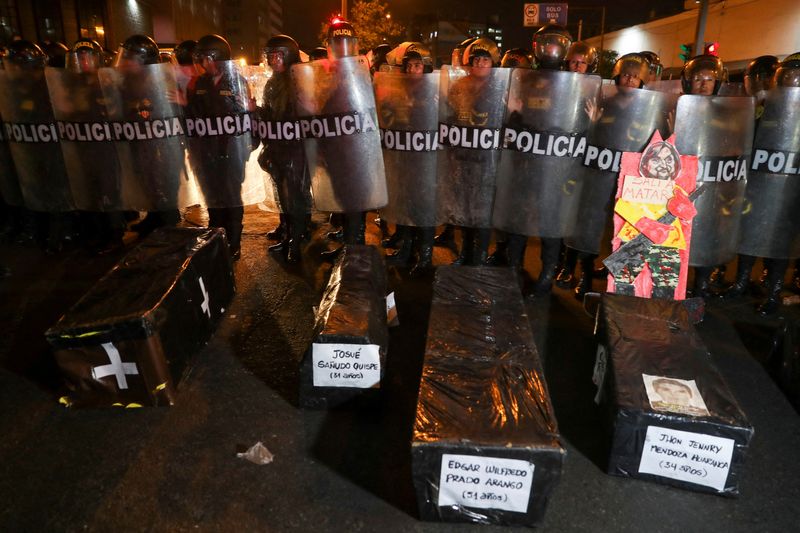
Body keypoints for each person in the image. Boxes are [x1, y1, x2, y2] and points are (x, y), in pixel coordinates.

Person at [504, 24, 572, 295]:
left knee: (550, 221)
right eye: (547, 43)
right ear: (538, 47)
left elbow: (573, 124)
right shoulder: (526, 80)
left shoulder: (572, 83)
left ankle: (547, 273)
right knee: (520, 216)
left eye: (556, 44)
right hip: (526, 162)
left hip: (555, 165)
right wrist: (514, 114)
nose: (551, 49)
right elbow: (515, 121)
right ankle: (514, 266)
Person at [184, 34, 252, 260]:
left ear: (219, 58)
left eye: (207, 59)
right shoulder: (199, 84)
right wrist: (185, 105)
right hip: (207, 151)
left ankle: (234, 242)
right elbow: (195, 118)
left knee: (230, 196)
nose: (204, 65)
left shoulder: (237, 82)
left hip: (230, 151)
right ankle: (216, 237)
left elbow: (245, 120)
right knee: (213, 196)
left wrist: (248, 110)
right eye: (201, 60)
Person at [115, 34, 183, 237]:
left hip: (161, 144)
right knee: (146, 182)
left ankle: (168, 226)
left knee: (163, 183)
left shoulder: (162, 79)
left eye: (129, 58)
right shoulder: (128, 82)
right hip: (139, 141)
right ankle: (153, 218)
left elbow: (170, 112)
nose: (124, 62)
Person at [442, 37, 502, 266]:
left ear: (492, 63)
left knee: (483, 210)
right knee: (464, 208)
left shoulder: (500, 88)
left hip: (487, 161)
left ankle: (480, 256)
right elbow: (449, 116)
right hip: (463, 158)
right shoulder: (459, 86)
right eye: (476, 59)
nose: (480, 64)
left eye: (485, 60)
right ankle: (465, 253)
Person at [378, 46, 436, 276]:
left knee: (424, 208)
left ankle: (426, 256)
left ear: (426, 67)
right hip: (404, 158)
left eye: (418, 65)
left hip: (426, 161)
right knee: (406, 205)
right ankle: (407, 249)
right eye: (409, 65)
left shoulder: (434, 91)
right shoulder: (398, 91)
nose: (413, 69)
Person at [258, 34, 309, 263]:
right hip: (278, 148)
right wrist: (255, 110)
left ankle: (296, 243)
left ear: (287, 56)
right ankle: (288, 235)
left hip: (296, 150)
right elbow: (269, 115)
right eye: (269, 55)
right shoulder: (272, 82)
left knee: (295, 197)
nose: (271, 60)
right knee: (283, 197)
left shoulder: (300, 80)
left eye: (276, 55)